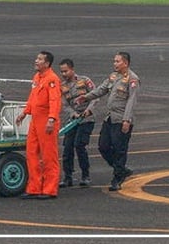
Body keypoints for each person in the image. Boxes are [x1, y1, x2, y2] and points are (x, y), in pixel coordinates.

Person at [75, 51, 138, 192]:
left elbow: (131, 101)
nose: (114, 64)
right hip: (109, 118)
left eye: (117, 61)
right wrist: (86, 97)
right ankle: (120, 169)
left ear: (126, 63)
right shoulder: (113, 76)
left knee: (119, 148)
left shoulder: (132, 79)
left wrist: (126, 120)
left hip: (121, 119)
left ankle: (117, 178)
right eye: (114, 61)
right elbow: (101, 90)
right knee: (103, 146)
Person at [15, 51, 62, 199]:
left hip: (46, 120)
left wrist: (51, 119)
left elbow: (55, 101)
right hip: (35, 120)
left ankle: (49, 189)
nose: (36, 61)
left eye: (40, 59)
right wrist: (25, 112)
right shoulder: (37, 78)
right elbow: (33, 97)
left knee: (49, 155)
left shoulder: (52, 79)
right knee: (31, 153)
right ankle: (34, 187)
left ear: (47, 63)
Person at [58, 58, 97, 188]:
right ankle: (68, 176)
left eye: (65, 71)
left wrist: (88, 110)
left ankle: (85, 175)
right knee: (67, 147)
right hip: (73, 120)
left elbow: (95, 97)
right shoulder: (62, 86)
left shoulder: (85, 80)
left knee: (79, 145)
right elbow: (64, 104)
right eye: (62, 72)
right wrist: (72, 113)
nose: (63, 74)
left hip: (86, 119)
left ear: (72, 69)